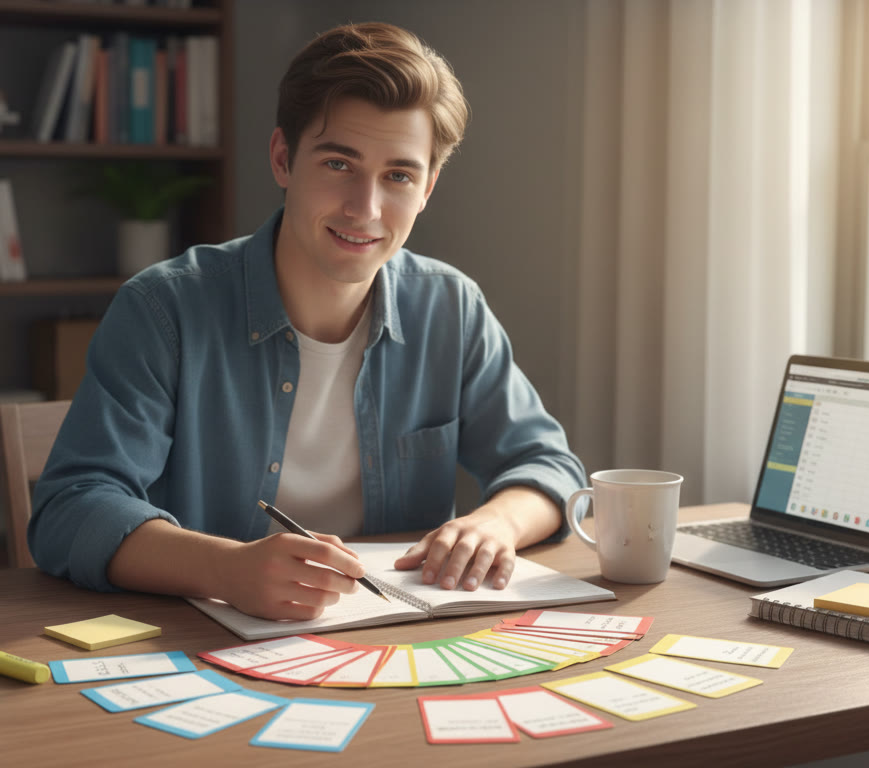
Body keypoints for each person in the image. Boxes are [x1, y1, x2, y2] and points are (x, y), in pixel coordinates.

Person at [29, 22, 585, 621]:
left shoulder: (451, 307)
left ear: (428, 187)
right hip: (202, 645)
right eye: (339, 163)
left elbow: (548, 465)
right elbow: (71, 508)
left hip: (399, 644)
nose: (365, 208)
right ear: (283, 159)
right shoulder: (165, 310)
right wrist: (226, 568)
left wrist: (493, 523)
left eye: (398, 175)